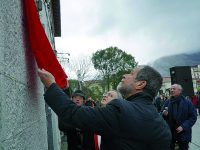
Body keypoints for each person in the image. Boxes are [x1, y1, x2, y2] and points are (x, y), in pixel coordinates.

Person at [38, 66, 171, 150]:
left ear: (140, 84)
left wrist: (51, 86)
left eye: (131, 73)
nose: (124, 75)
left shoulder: (121, 110)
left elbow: (74, 113)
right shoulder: (163, 127)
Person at [161, 84, 197, 150]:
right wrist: (163, 113)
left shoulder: (187, 102)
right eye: (171, 89)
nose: (171, 90)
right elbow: (160, 114)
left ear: (180, 91)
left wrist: (183, 126)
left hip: (183, 134)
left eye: (174, 89)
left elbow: (193, 117)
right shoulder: (167, 102)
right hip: (170, 134)